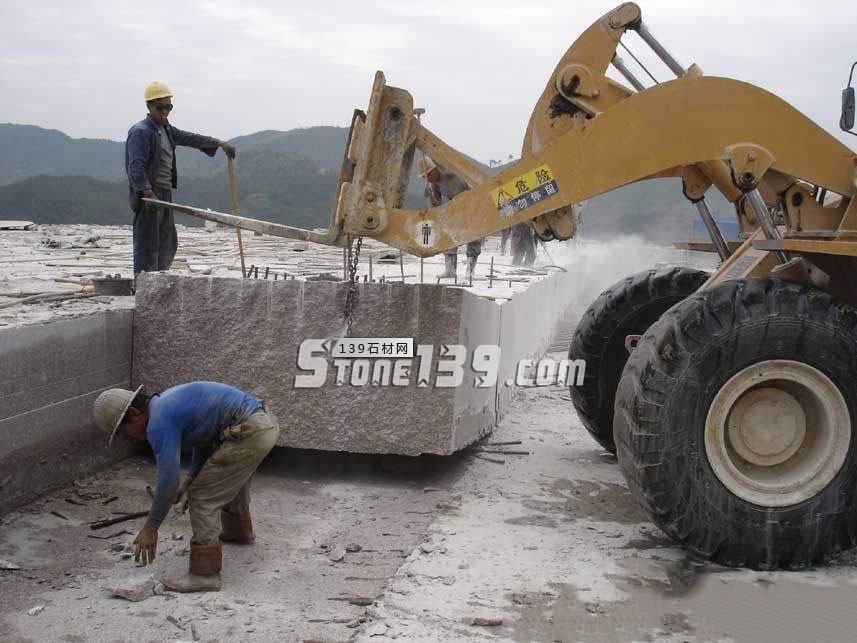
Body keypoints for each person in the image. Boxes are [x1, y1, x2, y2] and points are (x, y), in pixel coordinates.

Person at [92, 381, 279, 592]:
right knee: (226, 480)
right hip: (261, 424)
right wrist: (189, 481)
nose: (129, 438)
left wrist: (150, 528)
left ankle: (205, 575)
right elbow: (205, 440)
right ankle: (239, 532)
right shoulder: (166, 403)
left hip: (248, 430)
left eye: (124, 431)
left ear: (135, 413)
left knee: (202, 497)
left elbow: (167, 480)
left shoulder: (158, 423)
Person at [126, 81, 236, 275]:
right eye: (160, 107)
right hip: (149, 194)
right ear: (149, 106)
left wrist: (218, 143)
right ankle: (143, 285)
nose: (165, 111)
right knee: (148, 242)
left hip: (165, 191)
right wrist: (147, 193)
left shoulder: (166, 129)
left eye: (168, 107)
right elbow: (135, 166)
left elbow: (188, 137)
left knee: (167, 240)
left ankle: (160, 278)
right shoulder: (141, 132)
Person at [420, 156, 483, 279]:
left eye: (427, 175)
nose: (426, 179)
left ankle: (470, 271)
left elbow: (473, 186)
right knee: (448, 239)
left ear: (434, 171)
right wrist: (430, 197)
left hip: (471, 207)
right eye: (423, 177)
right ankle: (450, 271)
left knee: (473, 240)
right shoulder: (434, 184)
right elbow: (437, 204)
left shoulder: (452, 173)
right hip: (455, 210)